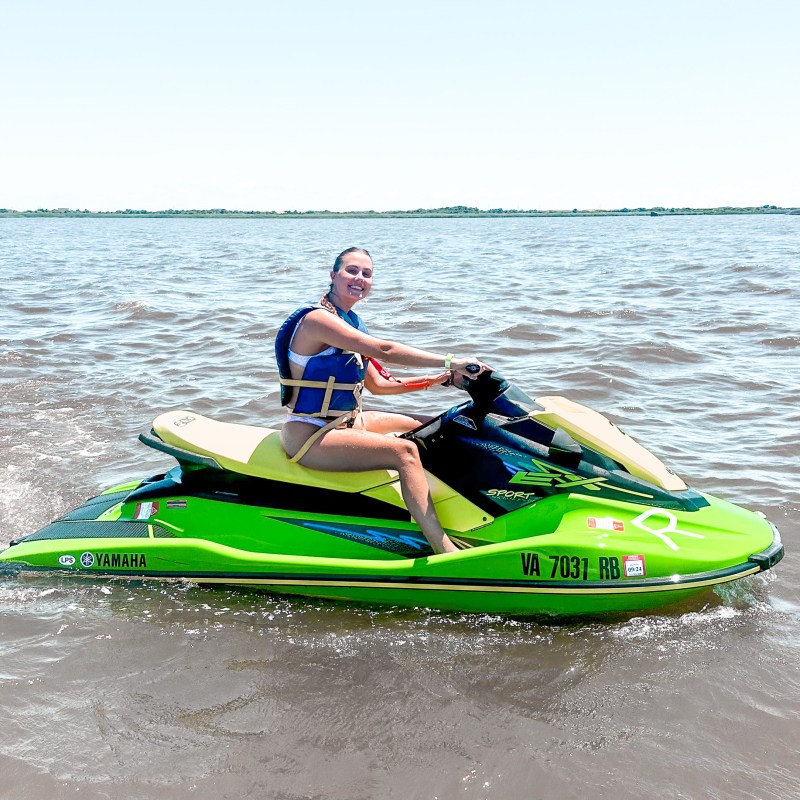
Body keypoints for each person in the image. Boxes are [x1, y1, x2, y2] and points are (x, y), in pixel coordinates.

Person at [275, 246, 488, 554]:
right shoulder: (318, 320)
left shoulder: (350, 321)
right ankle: (444, 550)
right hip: (310, 434)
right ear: (333, 275)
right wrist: (450, 361)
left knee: (430, 426)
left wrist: (438, 380)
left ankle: (468, 514)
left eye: (367, 273)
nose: (359, 278)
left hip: (346, 423)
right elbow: (385, 350)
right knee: (405, 452)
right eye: (351, 270)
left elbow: (380, 386)